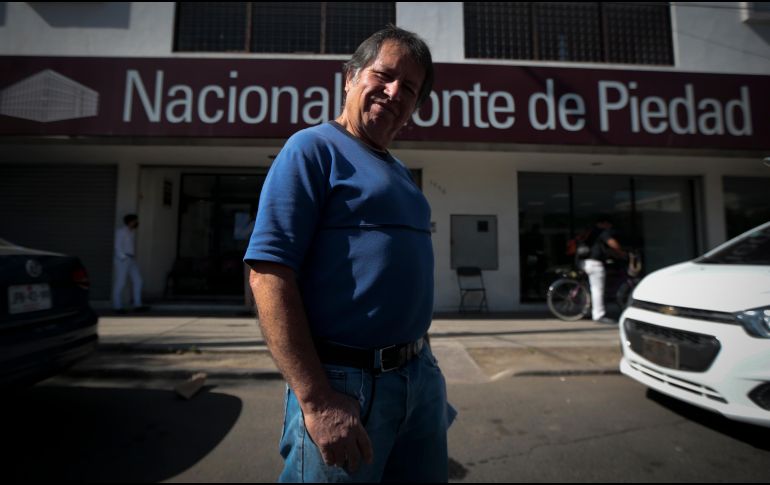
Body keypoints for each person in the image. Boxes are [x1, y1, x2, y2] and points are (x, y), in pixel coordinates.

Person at [244, 26, 454, 482]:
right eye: (384, 75)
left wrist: (424, 376)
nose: (394, 91)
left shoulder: (397, 169)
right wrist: (317, 401)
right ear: (350, 77)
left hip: (417, 377)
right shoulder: (312, 148)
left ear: (415, 108)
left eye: (410, 89)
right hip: (347, 385)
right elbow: (268, 273)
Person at [581, 219, 627, 324]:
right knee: (597, 290)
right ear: (603, 223)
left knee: (590, 288)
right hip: (595, 263)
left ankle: (588, 310)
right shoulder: (602, 232)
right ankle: (599, 315)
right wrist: (622, 253)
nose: (609, 226)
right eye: (608, 223)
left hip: (585, 262)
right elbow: (612, 244)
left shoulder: (591, 232)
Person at [112, 214, 148, 313]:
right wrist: (123, 258)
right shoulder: (121, 232)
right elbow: (117, 247)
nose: (136, 223)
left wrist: (131, 258)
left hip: (131, 259)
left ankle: (138, 305)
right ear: (130, 221)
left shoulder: (131, 232)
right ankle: (117, 307)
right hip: (122, 259)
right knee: (120, 282)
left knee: (138, 280)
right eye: (135, 221)